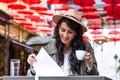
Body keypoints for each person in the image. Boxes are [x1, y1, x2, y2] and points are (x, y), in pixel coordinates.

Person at [27, 9, 99, 76]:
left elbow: (95, 76)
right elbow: (34, 75)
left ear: (76, 33)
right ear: (58, 28)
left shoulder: (86, 47)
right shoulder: (49, 47)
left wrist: (89, 65)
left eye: (70, 32)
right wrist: (34, 65)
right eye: (62, 30)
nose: (65, 35)